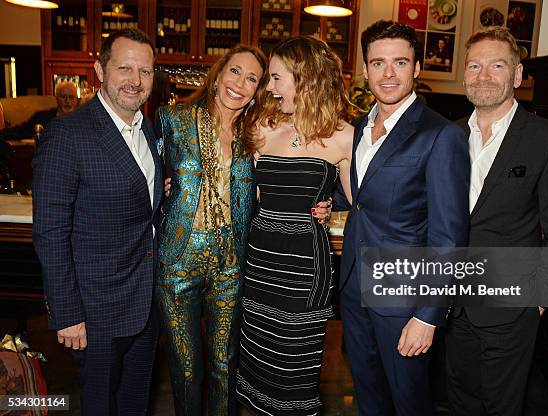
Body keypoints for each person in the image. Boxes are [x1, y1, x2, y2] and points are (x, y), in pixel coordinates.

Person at [155, 44, 332, 416]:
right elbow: (145, 178)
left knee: (225, 368)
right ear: (218, 74)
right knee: (186, 372)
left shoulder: (254, 133)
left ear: (259, 88)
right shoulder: (172, 119)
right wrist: (162, 191)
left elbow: (290, 178)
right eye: (235, 71)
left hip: (233, 266)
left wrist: (326, 202)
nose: (241, 83)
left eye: (253, 78)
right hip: (177, 264)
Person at [336, 20, 470, 415]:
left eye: (399, 62)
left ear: (416, 68)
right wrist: (334, 204)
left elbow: (450, 235)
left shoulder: (440, 135)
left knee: (410, 402)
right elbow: (367, 200)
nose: (388, 73)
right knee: (368, 396)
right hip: (354, 288)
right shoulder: (361, 126)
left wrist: (428, 316)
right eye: (378, 63)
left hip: (404, 300)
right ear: (365, 69)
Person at [445, 27, 548, 416]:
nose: (483, 75)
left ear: (517, 76)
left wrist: (540, 301)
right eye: (474, 65)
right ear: (464, 74)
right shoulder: (447, 137)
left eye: (496, 65)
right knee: (459, 400)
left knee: (503, 406)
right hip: (450, 305)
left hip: (511, 308)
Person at [32, 29, 163, 415]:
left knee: (135, 403)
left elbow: (143, 206)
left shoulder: (148, 130)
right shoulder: (67, 134)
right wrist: (68, 314)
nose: (135, 80)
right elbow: (50, 233)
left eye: (145, 70)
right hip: (94, 311)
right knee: (99, 406)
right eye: (124, 68)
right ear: (99, 70)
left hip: (144, 303)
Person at [235, 36, 353, 415]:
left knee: (295, 366)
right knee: (257, 363)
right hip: (260, 264)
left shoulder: (345, 137)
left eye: (275, 78)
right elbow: (237, 189)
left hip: (306, 268)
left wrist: (331, 209)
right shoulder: (263, 128)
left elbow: (366, 207)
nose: (268, 88)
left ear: (304, 79)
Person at [3, 81, 79, 139]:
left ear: (76, 100)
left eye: (72, 97)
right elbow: (21, 131)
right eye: (63, 97)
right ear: (56, 99)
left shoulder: (84, 119)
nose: (68, 101)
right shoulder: (41, 117)